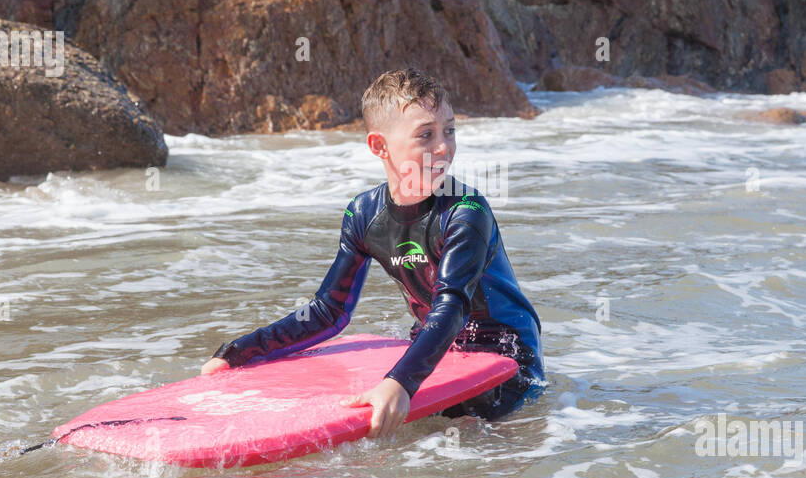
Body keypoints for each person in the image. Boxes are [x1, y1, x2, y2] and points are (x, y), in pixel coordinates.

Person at [200, 67, 546, 438]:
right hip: (436, 348)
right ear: (379, 146)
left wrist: (399, 381)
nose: (444, 146)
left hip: (506, 356)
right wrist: (239, 352)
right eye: (426, 135)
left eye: (449, 130)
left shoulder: (466, 211)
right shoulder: (364, 214)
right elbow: (327, 311)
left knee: (457, 440)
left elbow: (452, 306)